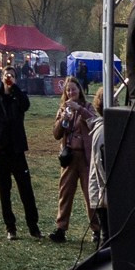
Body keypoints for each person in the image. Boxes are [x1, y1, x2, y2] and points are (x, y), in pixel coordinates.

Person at [0, 68, 37, 240]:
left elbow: (26, 106)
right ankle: (10, 227)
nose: (9, 78)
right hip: (1, 151)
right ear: (1, 78)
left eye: (12, 76)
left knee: (26, 190)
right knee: (4, 191)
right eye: (6, 75)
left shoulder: (18, 96)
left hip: (17, 150)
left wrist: (15, 88)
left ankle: (33, 226)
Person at [51, 76, 103, 242]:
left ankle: (97, 229)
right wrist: (63, 119)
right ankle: (61, 228)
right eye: (68, 90)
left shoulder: (87, 107)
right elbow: (56, 134)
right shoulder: (63, 109)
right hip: (69, 157)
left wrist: (79, 109)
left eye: (73, 89)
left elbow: (93, 121)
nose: (71, 92)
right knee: (65, 193)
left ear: (80, 90)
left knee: (90, 194)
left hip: (86, 157)